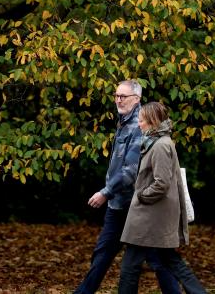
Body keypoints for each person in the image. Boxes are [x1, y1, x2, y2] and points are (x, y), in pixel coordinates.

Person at [73, 80, 181, 294]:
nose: (118, 100)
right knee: (103, 254)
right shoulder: (124, 122)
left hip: (136, 206)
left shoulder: (139, 126)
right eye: (116, 96)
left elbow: (131, 171)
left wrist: (105, 192)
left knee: (156, 259)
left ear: (137, 99)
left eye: (123, 96)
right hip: (119, 203)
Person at [118, 101, 207, 294]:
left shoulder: (160, 145)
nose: (139, 124)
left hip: (150, 216)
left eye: (142, 120)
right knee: (169, 261)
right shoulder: (157, 142)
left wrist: (141, 195)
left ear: (152, 121)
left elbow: (162, 183)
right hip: (153, 216)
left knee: (130, 266)